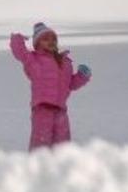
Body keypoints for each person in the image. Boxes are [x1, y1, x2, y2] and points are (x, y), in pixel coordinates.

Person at [10, 22, 91, 151]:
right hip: (42, 110)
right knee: (41, 144)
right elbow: (19, 52)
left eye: (53, 39)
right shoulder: (34, 60)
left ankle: (61, 167)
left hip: (61, 111)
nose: (51, 41)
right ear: (37, 43)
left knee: (63, 145)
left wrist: (82, 76)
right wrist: (16, 38)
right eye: (46, 39)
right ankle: (37, 167)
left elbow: (70, 84)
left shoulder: (64, 62)